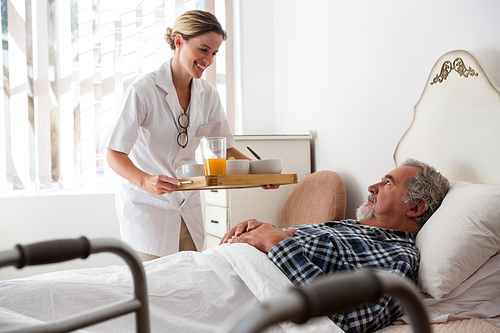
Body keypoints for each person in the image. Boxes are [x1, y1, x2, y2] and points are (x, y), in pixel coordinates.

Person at [220, 158, 451, 333]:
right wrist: (259, 229)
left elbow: (353, 320)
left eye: (387, 183)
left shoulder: (398, 258)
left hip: (236, 297)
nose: (372, 187)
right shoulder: (351, 226)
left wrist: (277, 245)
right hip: (223, 265)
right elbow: (292, 242)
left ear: (415, 208)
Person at [103, 10, 252, 261]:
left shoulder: (208, 94)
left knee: (188, 284)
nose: (209, 60)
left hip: (187, 205)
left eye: (214, 53)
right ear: (180, 42)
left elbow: (224, 148)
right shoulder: (143, 90)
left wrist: (257, 171)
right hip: (148, 207)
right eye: (204, 50)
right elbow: (114, 152)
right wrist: (145, 180)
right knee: (154, 289)